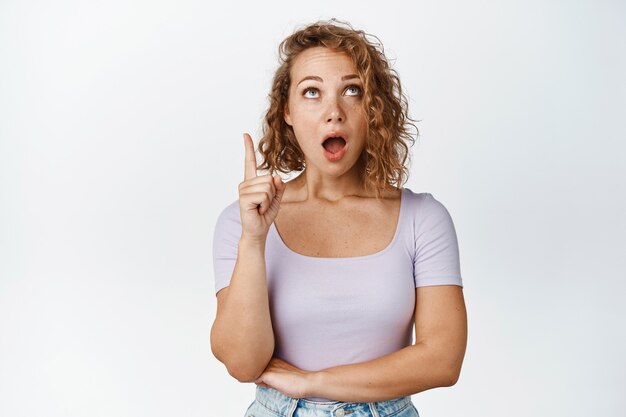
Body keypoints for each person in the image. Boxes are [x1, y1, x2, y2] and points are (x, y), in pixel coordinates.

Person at [211, 19, 467, 417]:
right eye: (311, 92)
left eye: (352, 90)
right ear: (288, 112)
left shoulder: (423, 218)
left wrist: (314, 383)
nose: (334, 112)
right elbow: (242, 363)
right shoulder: (242, 222)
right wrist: (254, 239)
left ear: (374, 109)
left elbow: (443, 360)